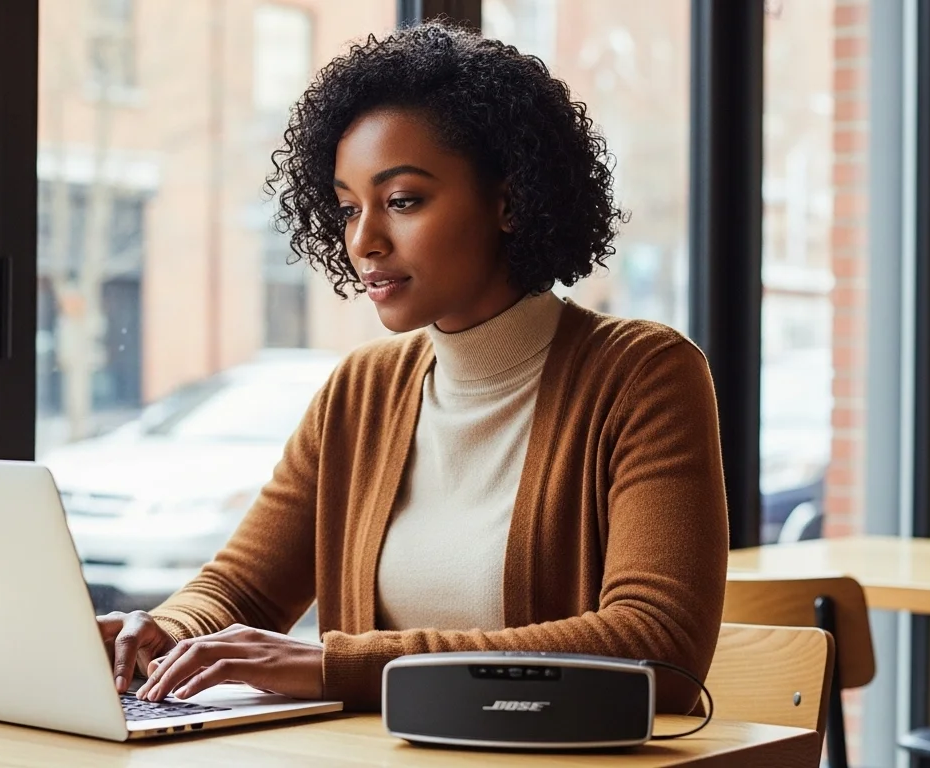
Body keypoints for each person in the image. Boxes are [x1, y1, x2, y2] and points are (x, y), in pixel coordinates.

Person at [96, 20, 728, 713]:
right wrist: (164, 632)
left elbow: (658, 644)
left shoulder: (643, 375)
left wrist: (336, 664)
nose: (364, 240)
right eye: (347, 208)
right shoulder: (362, 390)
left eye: (402, 201)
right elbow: (242, 590)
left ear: (508, 201)